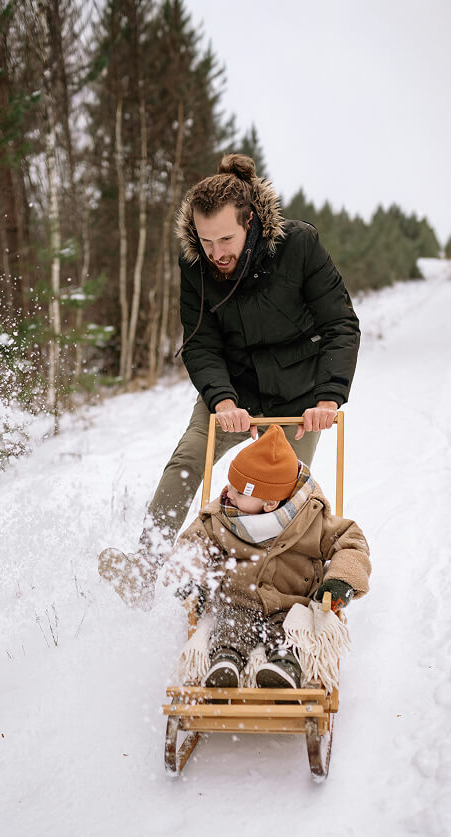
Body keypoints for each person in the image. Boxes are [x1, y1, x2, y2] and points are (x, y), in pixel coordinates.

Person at [99, 153, 361, 607]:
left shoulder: (298, 246)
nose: (216, 252)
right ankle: (147, 564)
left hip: (298, 397)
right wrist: (221, 400)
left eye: (225, 238)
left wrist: (328, 398)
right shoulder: (196, 265)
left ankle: (285, 589)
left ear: (251, 222)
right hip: (235, 391)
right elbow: (201, 344)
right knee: (187, 458)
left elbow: (341, 324)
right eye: (206, 241)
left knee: (283, 497)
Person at [169, 425, 371, 689]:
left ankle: (283, 667)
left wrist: (341, 581)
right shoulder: (220, 516)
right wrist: (192, 580)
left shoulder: (311, 518)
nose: (228, 493)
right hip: (238, 601)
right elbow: (192, 545)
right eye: (230, 484)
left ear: (270, 504)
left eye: (239, 491)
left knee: (290, 631)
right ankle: (225, 661)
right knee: (231, 627)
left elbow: (352, 543)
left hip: (289, 603)